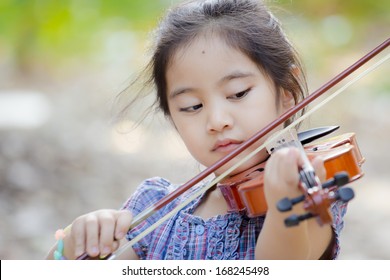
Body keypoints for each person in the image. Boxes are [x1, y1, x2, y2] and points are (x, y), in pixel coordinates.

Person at [46, 0, 347, 260]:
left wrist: (286, 201)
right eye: (192, 106)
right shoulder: (154, 209)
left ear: (286, 95)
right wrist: (74, 243)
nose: (216, 120)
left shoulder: (312, 190)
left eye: (239, 93)